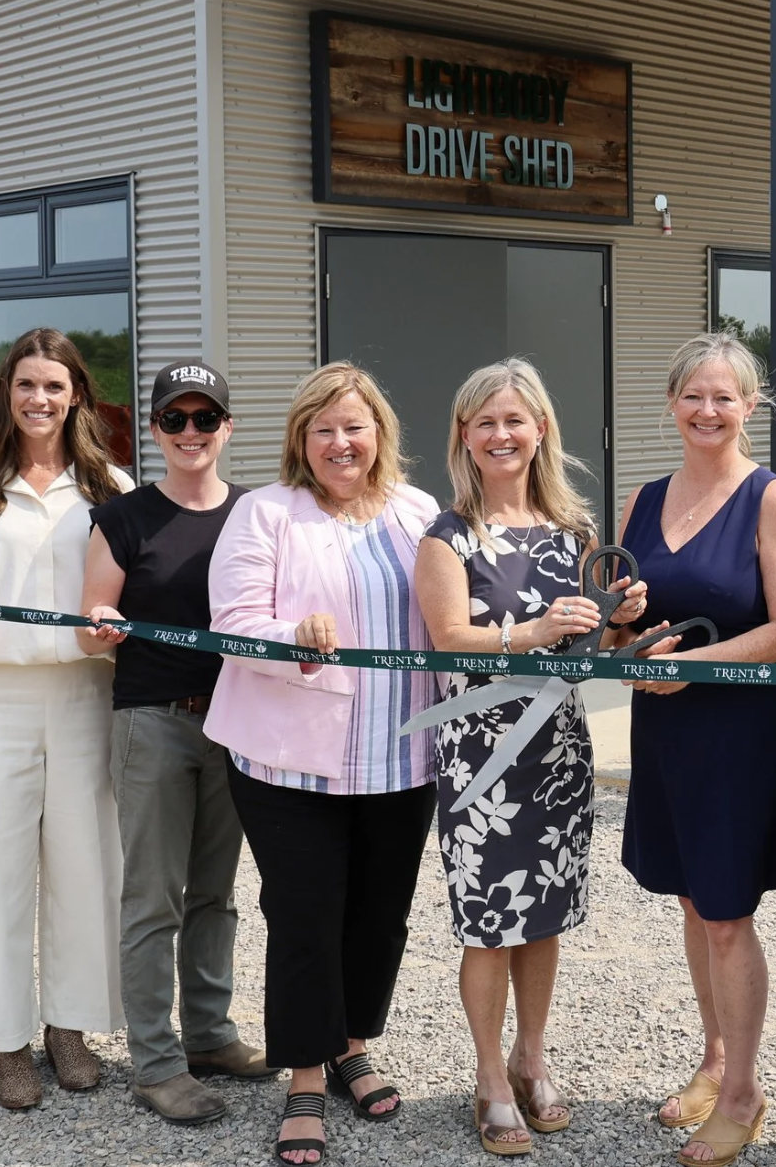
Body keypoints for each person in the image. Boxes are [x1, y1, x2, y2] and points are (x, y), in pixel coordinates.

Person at [206, 361, 443, 1166]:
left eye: (355, 426)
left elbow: (455, 617)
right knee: (305, 916)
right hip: (291, 764)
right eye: (324, 429)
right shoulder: (264, 513)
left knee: (380, 914)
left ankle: (350, 1045)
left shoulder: (419, 511)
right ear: (300, 442)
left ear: (381, 434)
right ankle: (304, 1076)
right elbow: (235, 621)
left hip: (404, 754)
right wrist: (293, 640)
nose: (342, 443)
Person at [618, 333, 776, 1167]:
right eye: (694, 396)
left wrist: (690, 668)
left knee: (729, 915)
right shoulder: (645, 495)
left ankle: (744, 1092)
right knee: (693, 905)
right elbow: (625, 618)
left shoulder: (771, 499)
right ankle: (713, 1060)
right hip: (664, 727)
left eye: (725, 397)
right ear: (672, 403)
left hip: (735, 732)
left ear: (750, 407)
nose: (708, 411)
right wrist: (624, 629)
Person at [417, 359, 619, 1157]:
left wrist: (620, 618)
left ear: (540, 429)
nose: (502, 435)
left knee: (544, 915)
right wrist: (528, 634)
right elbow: (448, 639)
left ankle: (531, 1060)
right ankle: (489, 1080)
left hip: (559, 747)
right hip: (481, 755)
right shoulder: (449, 533)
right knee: (488, 923)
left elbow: (592, 647)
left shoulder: (575, 533)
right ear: (465, 436)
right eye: (485, 422)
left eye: (515, 420)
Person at [0, 328, 131, 1111]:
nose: (39, 399)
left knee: (85, 866)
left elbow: (126, 594)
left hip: (85, 694)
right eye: (24, 386)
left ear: (77, 392)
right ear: (4, 395)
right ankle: (8, 1040)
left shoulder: (109, 485)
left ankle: (68, 1027)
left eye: (54, 386)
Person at [77, 361, 272, 1124]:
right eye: (174, 420)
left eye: (205, 418)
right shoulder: (123, 518)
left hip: (237, 720)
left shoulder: (257, 513)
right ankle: (156, 1063)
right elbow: (93, 630)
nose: (190, 432)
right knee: (152, 897)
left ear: (227, 428)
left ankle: (211, 1035)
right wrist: (100, 629)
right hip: (154, 721)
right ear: (154, 430)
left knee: (215, 894)